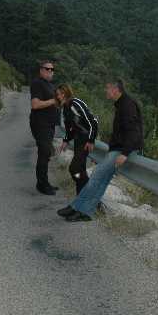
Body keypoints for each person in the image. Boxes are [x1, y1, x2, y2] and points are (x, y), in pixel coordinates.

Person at [57, 79, 143, 222]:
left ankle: (76, 207)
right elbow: (70, 127)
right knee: (100, 181)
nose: (105, 91)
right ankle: (85, 211)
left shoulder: (128, 105)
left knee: (95, 177)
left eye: (107, 89)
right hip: (117, 149)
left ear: (115, 90)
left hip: (122, 150)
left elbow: (133, 132)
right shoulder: (121, 104)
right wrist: (66, 139)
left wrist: (125, 153)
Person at [56, 84, 99, 195]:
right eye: (57, 95)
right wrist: (65, 140)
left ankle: (88, 191)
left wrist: (91, 140)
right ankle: (82, 197)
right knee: (80, 170)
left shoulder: (75, 104)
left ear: (64, 94)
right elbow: (69, 128)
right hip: (78, 139)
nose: (57, 97)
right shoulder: (65, 108)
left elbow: (93, 122)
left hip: (85, 139)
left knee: (74, 169)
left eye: (59, 94)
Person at [29, 60, 60, 195]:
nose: (50, 71)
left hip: (49, 124)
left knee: (46, 154)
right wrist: (54, 100)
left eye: (52, 69)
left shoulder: (50, 85)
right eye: (47, 69)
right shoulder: (37, 83)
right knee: (44, 153)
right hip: (41, 124)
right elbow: (35, 105)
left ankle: (44, 182)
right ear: (41, 70)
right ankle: (42, 185)